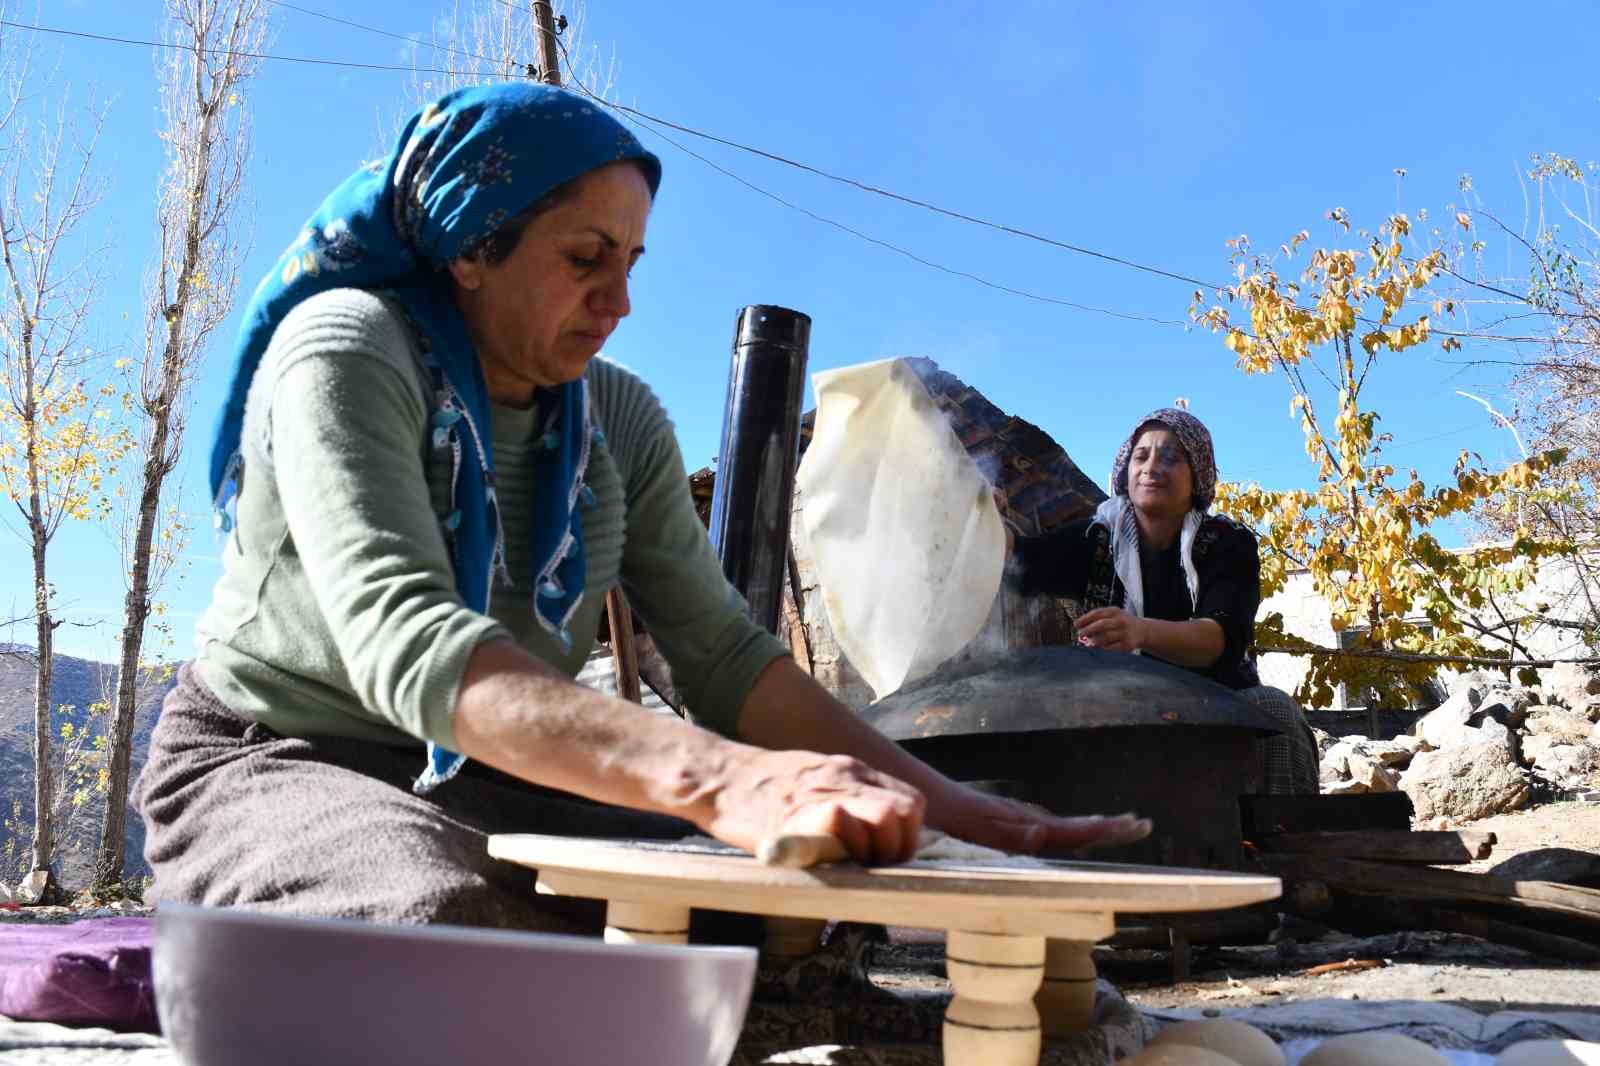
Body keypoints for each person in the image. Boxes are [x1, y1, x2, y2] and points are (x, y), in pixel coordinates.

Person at [133, 83, 1149, 930]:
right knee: (435, 924)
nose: (619, 302)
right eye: (585, 259)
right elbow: (410, 644)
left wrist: (958, 810)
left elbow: (722, 657)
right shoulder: (350, 350)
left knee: (790, 907)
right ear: (471, 250)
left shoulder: (614, 417)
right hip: (279, 758)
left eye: (630, 264)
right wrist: (724, 782)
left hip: (497, 773)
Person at [1002, 408, 1319, 795]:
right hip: (1120, 711)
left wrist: (1138, 632)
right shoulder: (1095, 538)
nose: (1152, 466)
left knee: (1274, 709)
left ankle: (1277, 843)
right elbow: (1018, 563)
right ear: (1125, 472)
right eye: (1142, 456)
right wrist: (987, 518)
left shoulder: (1226, 542)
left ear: (1197, 476)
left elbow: (1219, 639)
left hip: (1217, 710)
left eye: (1171, 457)